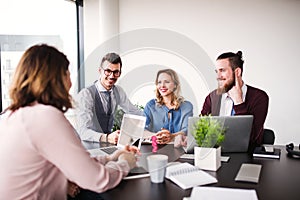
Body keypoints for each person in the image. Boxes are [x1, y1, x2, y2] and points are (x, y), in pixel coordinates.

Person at [0, 44, 139, 199]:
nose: (70, 84)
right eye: (67, 75)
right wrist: (125, 163)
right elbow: (98, 180)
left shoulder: (10, 115)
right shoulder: (46, 117)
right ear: (54, 79)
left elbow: (69, 163)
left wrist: (110, 158)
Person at [201, 51, 269, 151]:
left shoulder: (259, 97)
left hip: (247, 156)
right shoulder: (212, 97)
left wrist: (239, 102)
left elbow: (251, 139)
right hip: (216, 154)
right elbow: (201, 129)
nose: (218, 76)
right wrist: (187, 138)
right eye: (217, 71)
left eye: (222, 70)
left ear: (237, 72)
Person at [75, 52, 143, 144]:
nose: (111, 76)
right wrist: (106, 138)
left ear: (120, 73)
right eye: (108, 71)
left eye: (116, 72)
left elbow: (134, 111)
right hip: (89, 145)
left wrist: (153, 124)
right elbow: (83, 131)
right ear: (100, 71)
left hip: (108, 145)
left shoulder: (118, 91)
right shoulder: (86, 95)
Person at [144, 68, 193, 144]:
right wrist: (156, 136)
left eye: (167, 82)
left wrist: (172, 136)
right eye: (159, 82)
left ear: (175, 85)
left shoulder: (186, 106)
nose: (162, 85)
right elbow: (142, 130)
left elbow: (186, 130)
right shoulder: (150, 106)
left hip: (178, 149)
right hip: (155, 150)